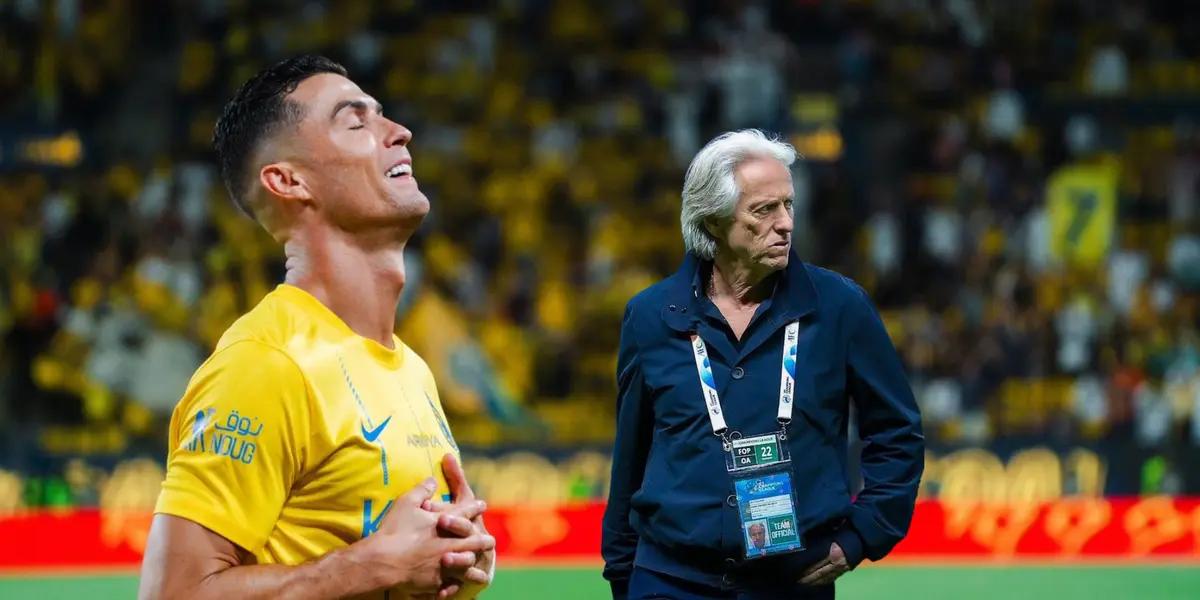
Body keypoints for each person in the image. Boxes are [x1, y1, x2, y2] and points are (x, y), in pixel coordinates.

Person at [138, 55, 495, 600]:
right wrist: (371, 567)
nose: (399, 133)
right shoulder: (267, 363)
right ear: (288, 180)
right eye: (357, 123)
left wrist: (453, 562)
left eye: (384, 117)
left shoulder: (411, 368)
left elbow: (393, 565)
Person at [602, 130, 924, 599]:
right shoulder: (650, 317)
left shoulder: (839, 307)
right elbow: (630, 455)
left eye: (788, 205)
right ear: (712, 221)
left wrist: (863, 534)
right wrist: (621, 573)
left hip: (791, 582)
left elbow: (898, 432)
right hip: (671, 579)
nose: (785, 224)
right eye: (763, 210)